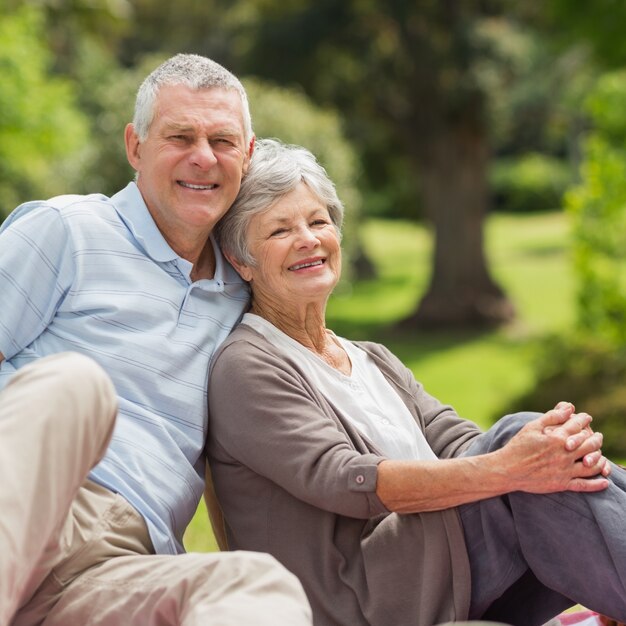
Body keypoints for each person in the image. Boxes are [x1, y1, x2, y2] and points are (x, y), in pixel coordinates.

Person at [206, 137, 626, 626]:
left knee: (536, 444)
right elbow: (345, 480)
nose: (308, 239)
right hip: (366, 598)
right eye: (280, 230)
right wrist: (511, 466)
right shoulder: (247, 366)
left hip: (444, 568)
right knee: (519, 446)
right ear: (241, 261)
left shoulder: (370, 358)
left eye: (318, 221)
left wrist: (547, 449)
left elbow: (457, 439)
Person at [0, 56, 312, 626]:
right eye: (180, 136)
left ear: (247, 154)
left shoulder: (242, 293)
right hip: (23, 501)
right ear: (135, 146)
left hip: (117, 563)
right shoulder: (66, 230)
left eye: (222, 140)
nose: (203, 156)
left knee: (259, 585)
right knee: (74, 385)